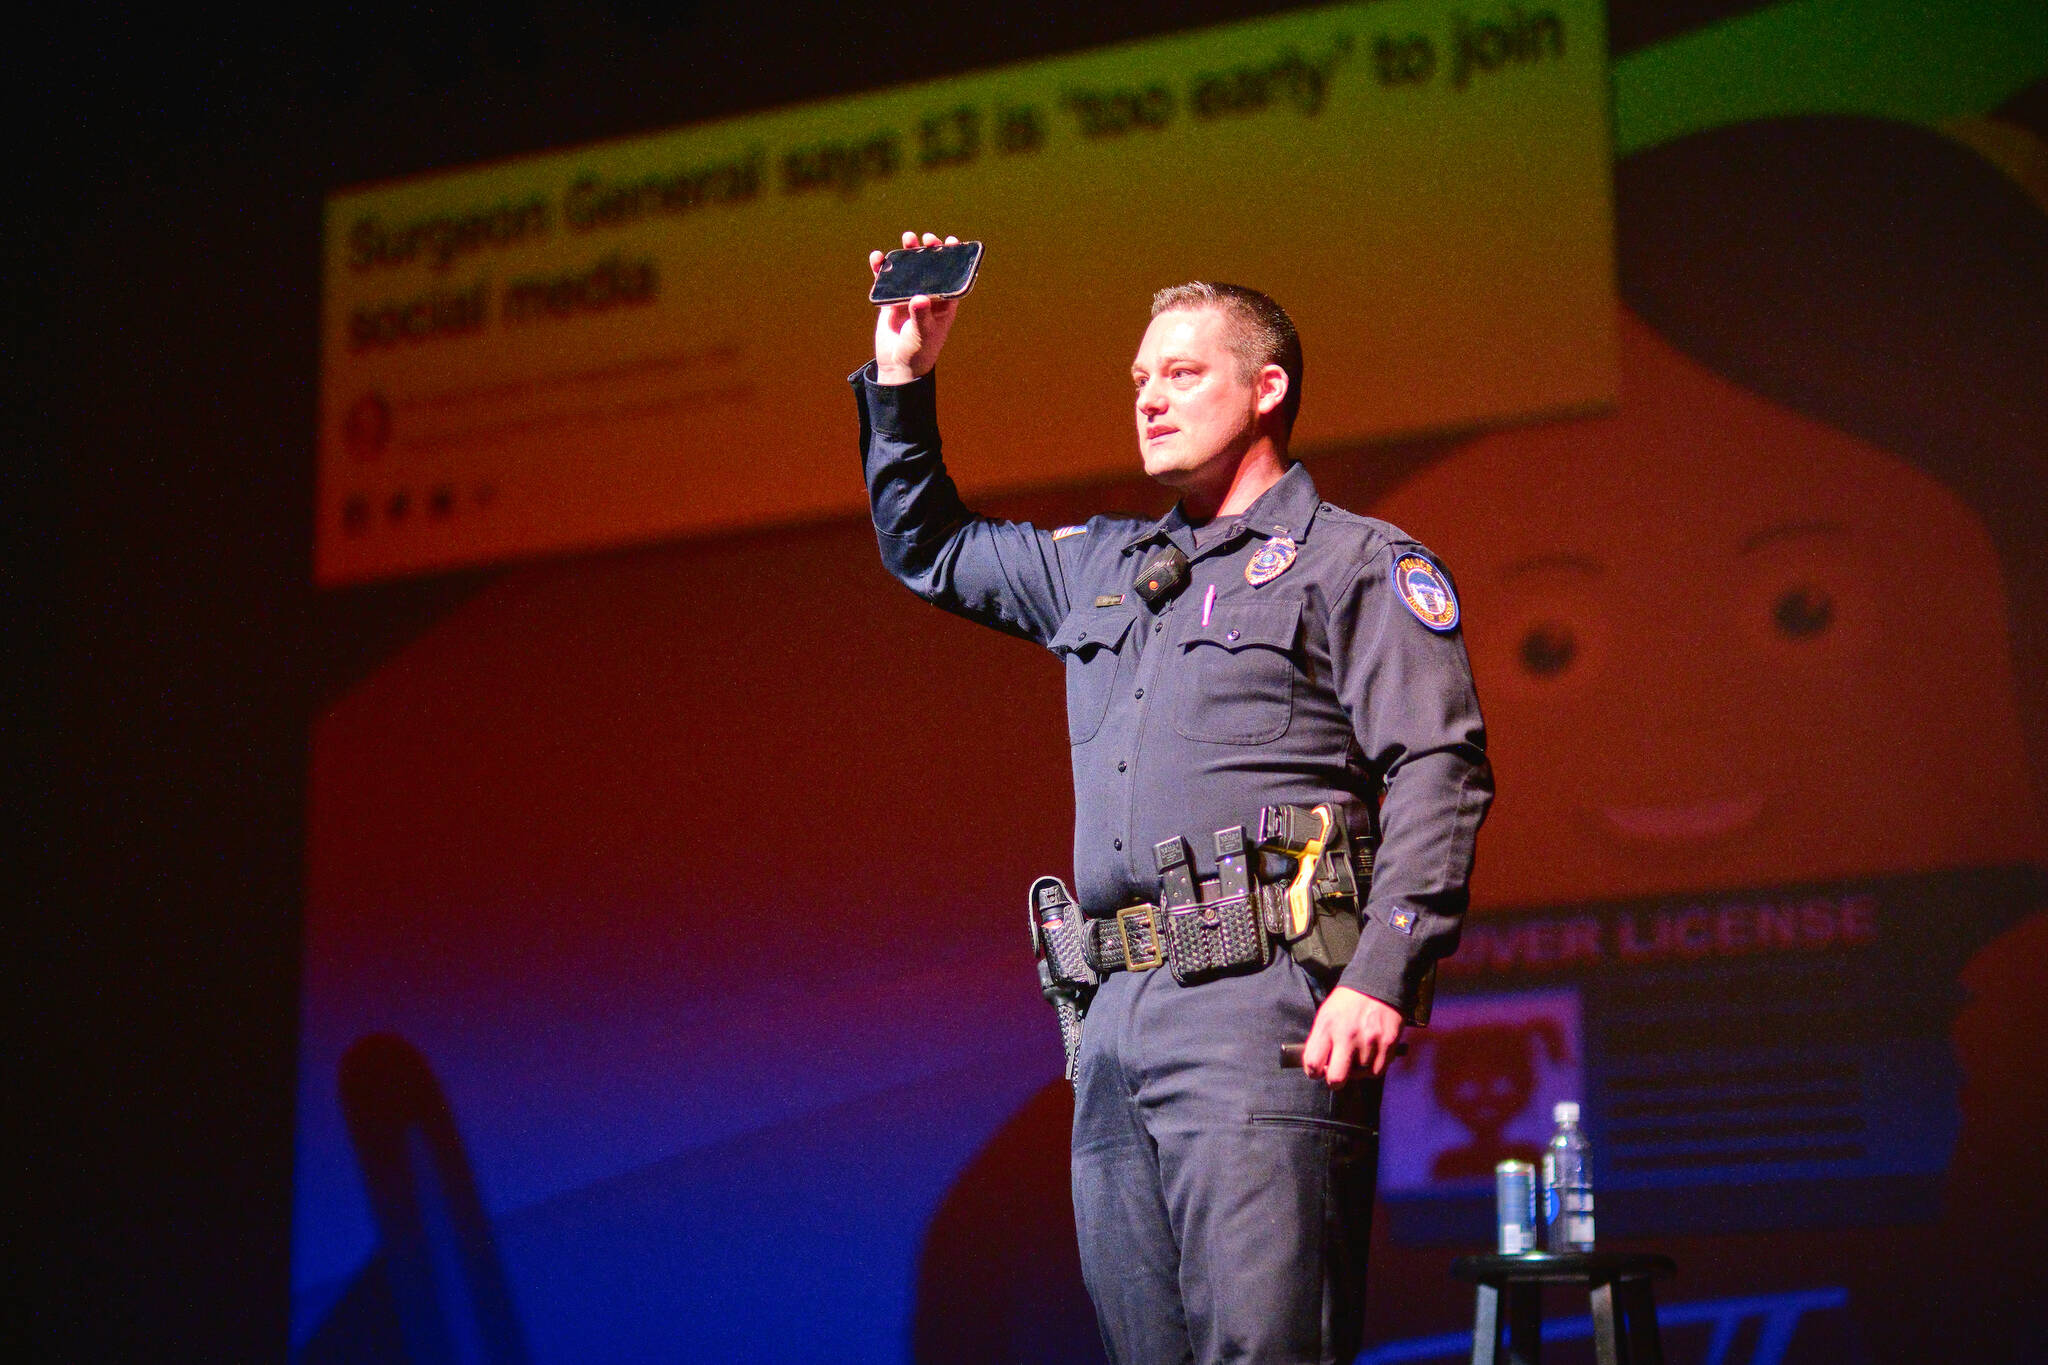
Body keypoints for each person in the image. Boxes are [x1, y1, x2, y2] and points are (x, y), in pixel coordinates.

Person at [852, 231, 1492, 1364]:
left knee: (1263, 1349)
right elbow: (929, 547)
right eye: (1139, 379)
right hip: (1110, 1019)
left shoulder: (1347, 563)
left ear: (1266, 388)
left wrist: (1382, 974)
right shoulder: (1101, 568)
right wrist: (903, 373)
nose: (1149, 398)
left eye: (1182, 372)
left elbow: (1438, 768)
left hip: (1261, 1006)